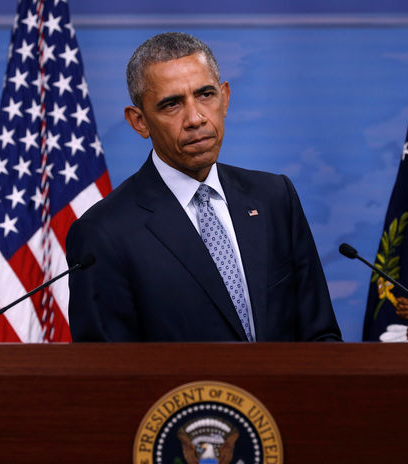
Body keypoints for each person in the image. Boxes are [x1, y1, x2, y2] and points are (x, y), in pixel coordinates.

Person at [66, 32, 341, 342]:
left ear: (224, 98)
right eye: (171, 104)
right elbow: (110, 378)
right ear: (139, 121)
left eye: (205, 94)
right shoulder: (103, 234)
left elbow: (321, 338)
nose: (195, 118)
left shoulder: (274, 198)